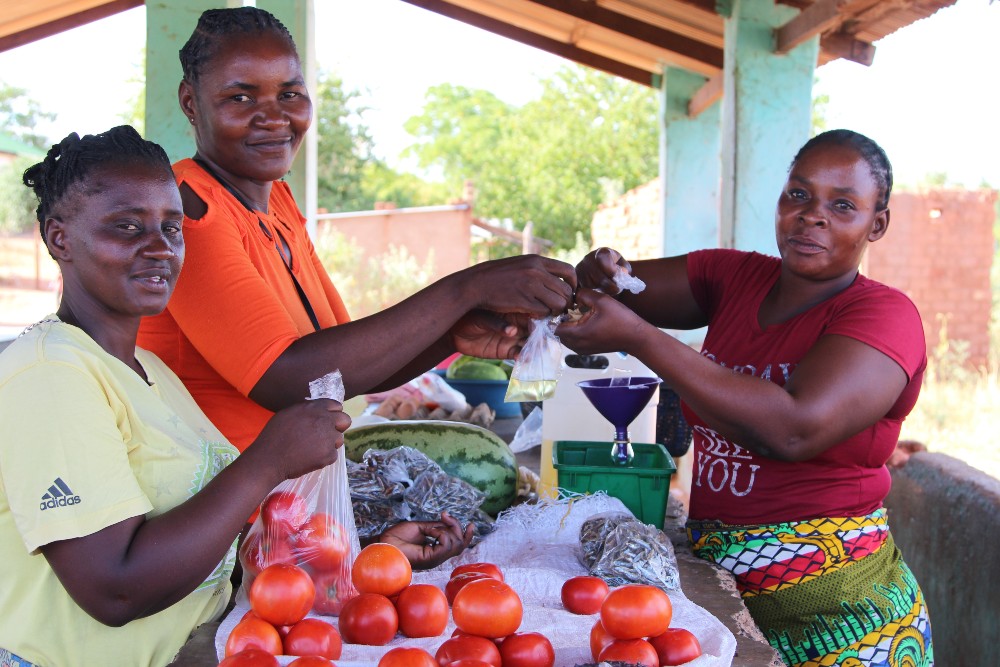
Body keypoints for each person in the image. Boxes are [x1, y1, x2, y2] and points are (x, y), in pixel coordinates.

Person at [136, 7, 576, 567]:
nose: (274, 118)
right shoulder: (186, 213)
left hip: (289, 522)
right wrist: (467, 288)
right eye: (240, 97)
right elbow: (288, 380)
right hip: (211, 537)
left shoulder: (276, 205)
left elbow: (338, 374)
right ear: (191, 102)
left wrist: (451, 335)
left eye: (290, 94)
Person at [558, 129, 933, 667]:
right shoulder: (732, 277)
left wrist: (639, 338)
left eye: (842, 205)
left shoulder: (885, 317)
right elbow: (610, 290)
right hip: (725, 594)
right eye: (798, 194)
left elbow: (794, 430)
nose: (812, 215)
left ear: (877, 224)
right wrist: (600, 271)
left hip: (841, 615)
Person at [0, 126, 350, 667]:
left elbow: (207, 528)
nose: (160, 246)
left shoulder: (150, 370)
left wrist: (345, 549)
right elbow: (113, 589)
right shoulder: (49, 374)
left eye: (171, 227)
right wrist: (269, 460)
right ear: (59, 239)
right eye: (127, 226)